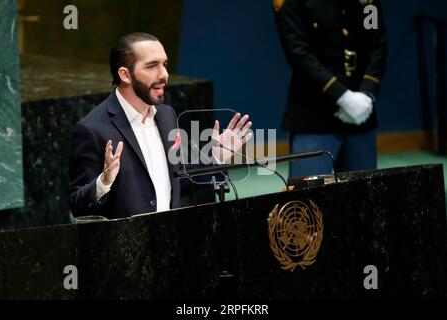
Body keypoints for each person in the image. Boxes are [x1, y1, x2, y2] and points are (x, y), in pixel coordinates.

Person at [69, 33, 252, 219]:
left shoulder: (166, 115)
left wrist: (215, 158)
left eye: (164, 64)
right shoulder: (92, 129)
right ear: (125, 74)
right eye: (152, 66)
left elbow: (175, 181)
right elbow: (78, 206)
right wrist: (104, 182)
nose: (164, 74)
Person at [273, 0, 387, 178]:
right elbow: (298, 52)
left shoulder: (367, 2)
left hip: (361, 111)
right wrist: (343, 97)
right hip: (314, 114)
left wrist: (367, 93)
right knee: (307, 201)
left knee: (364, 197)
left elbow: (377, 43)